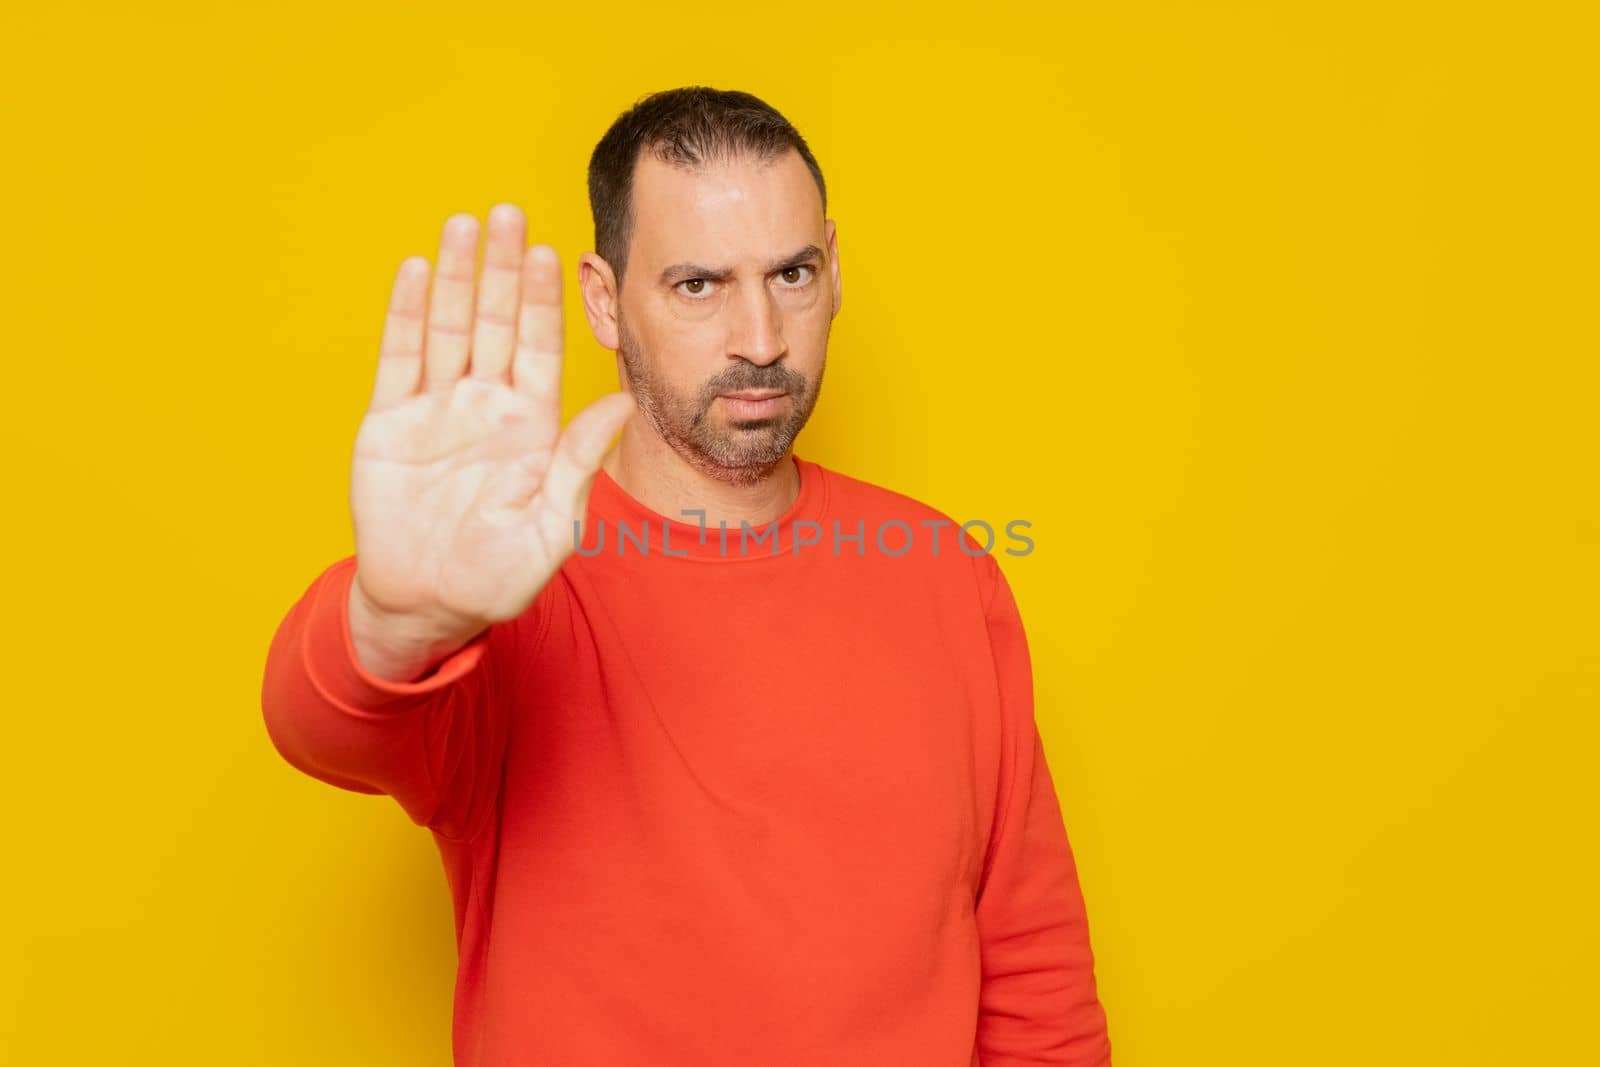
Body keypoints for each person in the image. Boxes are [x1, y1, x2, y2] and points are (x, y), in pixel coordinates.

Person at [260, 85, 1113, 1066]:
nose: (760, 337)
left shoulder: (945, 575)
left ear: (833, 268)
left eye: (790, 272)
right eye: (698, 285)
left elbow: (1035, 975)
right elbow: (318, 723)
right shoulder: (511, 587)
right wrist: (399, 617)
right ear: (601, 299)